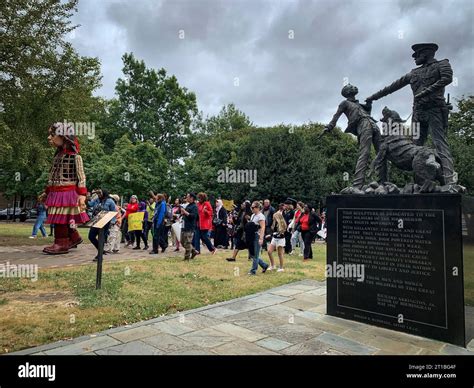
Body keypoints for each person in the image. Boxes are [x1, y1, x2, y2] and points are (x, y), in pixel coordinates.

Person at [366, 43, 456, 185]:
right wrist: (373, 97)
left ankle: (450, 182)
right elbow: (391, 87)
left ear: (426, 53)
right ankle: (419, 182)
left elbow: (447, 79)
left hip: (435, 111)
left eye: (417, 55)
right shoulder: (413, 73)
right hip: (418, 113)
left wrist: (426, 91)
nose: (414, 58)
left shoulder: (442, 64)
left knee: (440, 144)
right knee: (416, 149)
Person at [42, 122, 89, 254]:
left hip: (67, 192)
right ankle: (74, 237)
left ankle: (61, 243)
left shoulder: (75, 157)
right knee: (64, 218)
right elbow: (53, 176)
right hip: (57, 192)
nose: (49, 138)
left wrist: (82, 195)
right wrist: (47, 192)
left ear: (64, 136)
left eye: (52, 134)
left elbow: (81, 177)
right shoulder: (57, 156)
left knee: (60, 219)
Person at [325, 84, 381, 189]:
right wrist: (330, 126)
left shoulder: (359, 104)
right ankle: (357, 185)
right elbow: (336, 116)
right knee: (365, 153)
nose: (354, 87)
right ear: (347, 92)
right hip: (363, 125)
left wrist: (369, 104)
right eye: (351, 87)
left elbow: (367, 112)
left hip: (373, 124)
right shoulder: (344, 103)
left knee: (382, 152)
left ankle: (383, 181)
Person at [88, 189, 116, 261]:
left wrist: (112, 222)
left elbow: (113, 211)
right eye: (98, 193)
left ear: (104, 193)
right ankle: (101, 250)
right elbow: (89, 204)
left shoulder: (110, 201)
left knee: (102, 238)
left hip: (105, 222)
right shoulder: (96, 200)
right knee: (91, 236)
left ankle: (99, 256)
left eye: (100, 193)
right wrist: (86, 197)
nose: (99, 194)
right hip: (96, 220)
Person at [247, 201, 269, 275]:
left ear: (258, 208)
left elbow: (263, 228)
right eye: (251, 207)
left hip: (257, 236)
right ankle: (264, 265)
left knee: (256, 254)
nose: (252, 209)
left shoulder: (261, 216)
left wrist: (261, 238)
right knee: (253, 254)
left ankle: (253, 270)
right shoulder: (253, 215)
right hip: (252, 236)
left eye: (253, 207)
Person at [267, 205, 287, 272]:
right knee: (269, 251)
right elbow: (273, 231)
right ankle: (272, 265)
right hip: (274, 238)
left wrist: (270, 235)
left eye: (274, 217)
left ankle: (281, 267)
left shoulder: (282, 224)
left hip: (280, 239)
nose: (273, 218)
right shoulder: (274, 223)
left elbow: (281, 232)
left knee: (279, 253)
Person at [180, 193, 199, 261]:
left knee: (187, 242)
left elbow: (193, 216)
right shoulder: (188, 205)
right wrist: (182, 213)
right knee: (182, 242)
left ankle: (186, 258)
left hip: (190, 227)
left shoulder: (194, 206)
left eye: (187, 197)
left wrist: (185, 212)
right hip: (184, 225)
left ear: (191, 198)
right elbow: (186, 214)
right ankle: (194, 251)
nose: (186, 198)